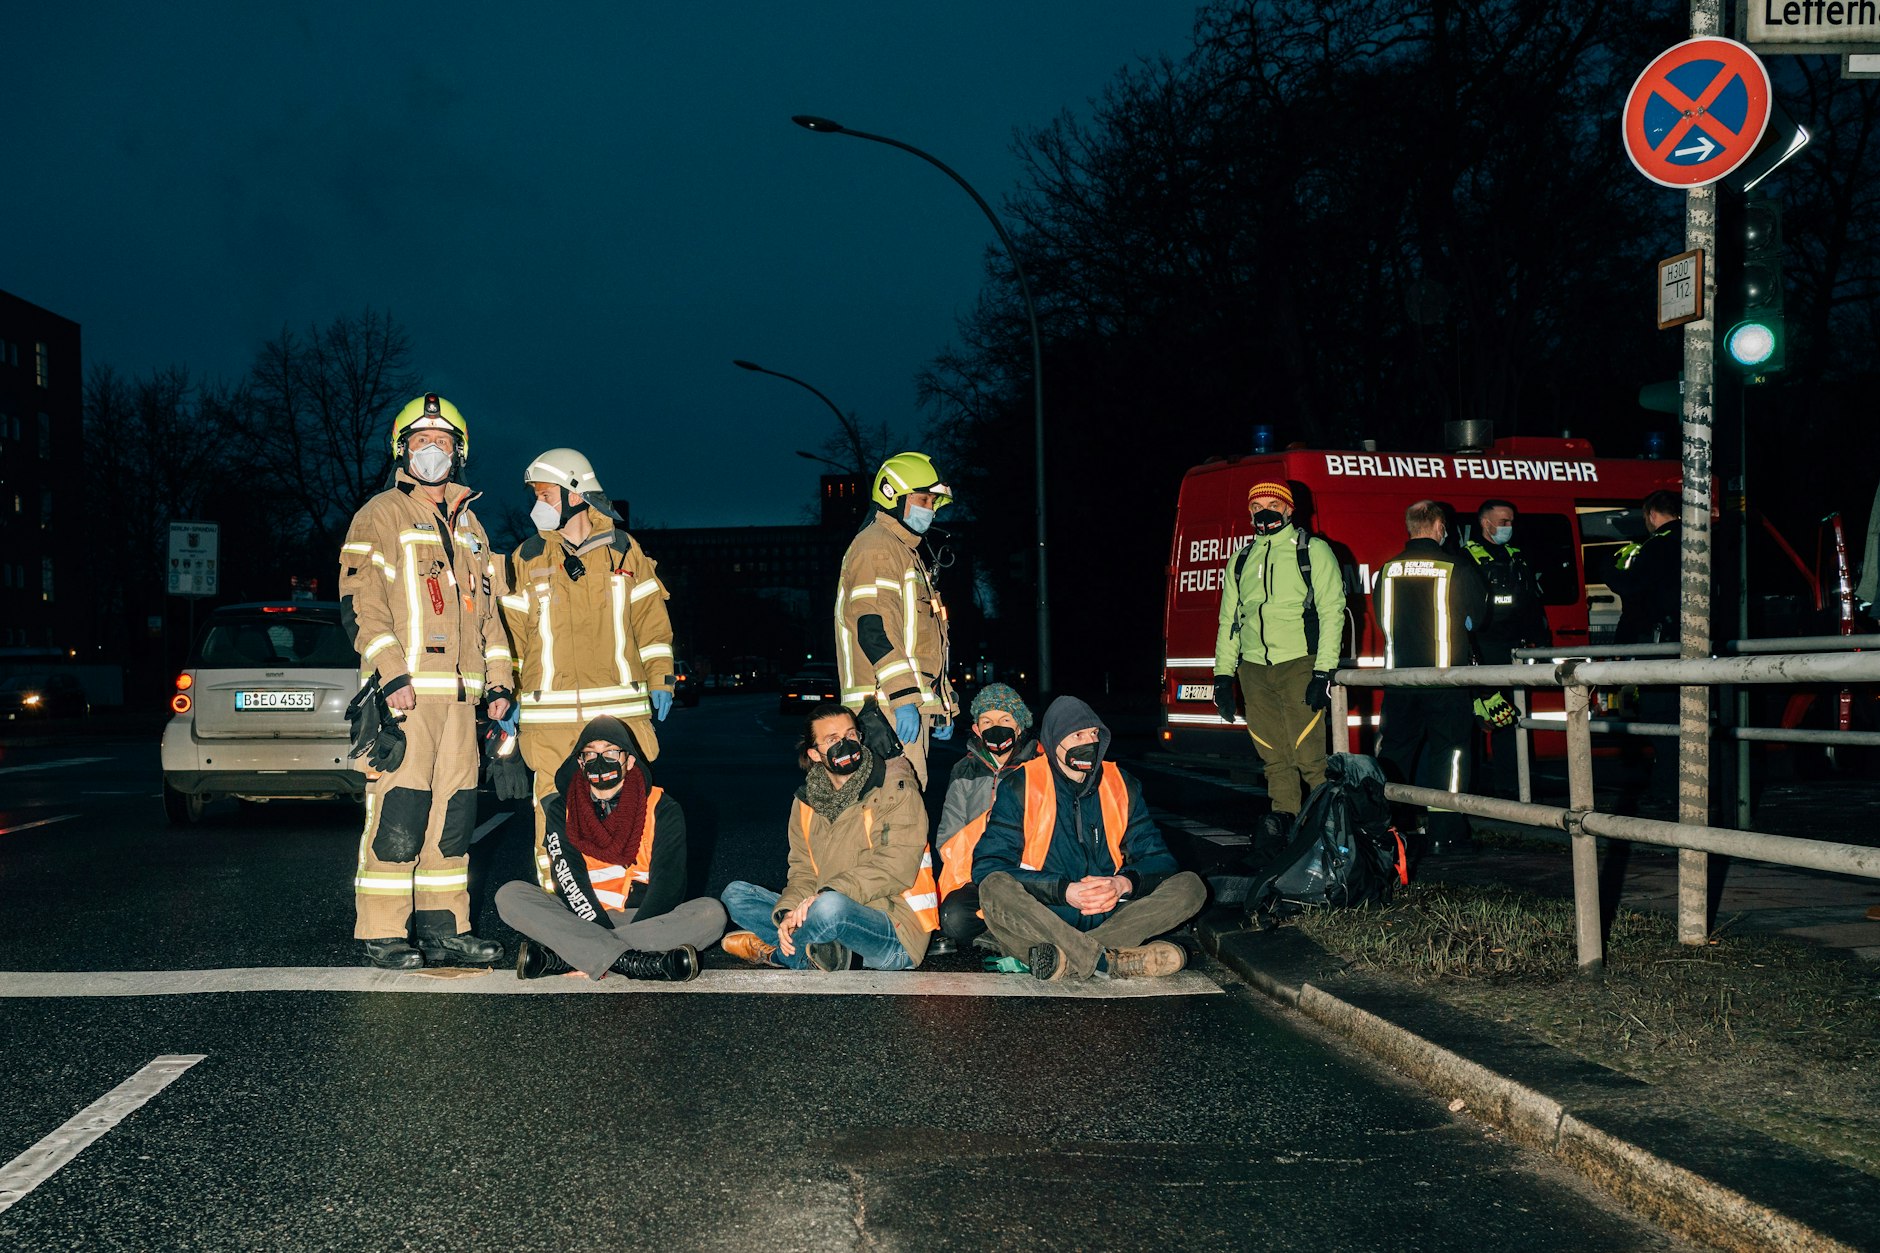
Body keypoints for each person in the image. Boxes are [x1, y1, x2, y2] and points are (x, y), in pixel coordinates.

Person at [337, 393, 514, 970]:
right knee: (400, 813)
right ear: (402, 450)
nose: (431, 450)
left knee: (454, 818)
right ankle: (384, 931)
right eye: (420, 441)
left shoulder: (473, 528)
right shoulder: (380, 514)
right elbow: (362, 605)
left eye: (441, 442)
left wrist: (500, 684)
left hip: (462, 704)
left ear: (458, 453)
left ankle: (445, 929)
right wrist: (391, 675)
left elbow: (490, 618)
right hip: (406, 700)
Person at [500, 449, 676, 894]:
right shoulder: (526, 558)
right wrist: (506, 690)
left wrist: (661, 677)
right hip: (549, 722)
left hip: (618, 719)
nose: (537, 505)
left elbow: (651, 624)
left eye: (545, 495)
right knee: (552, 816)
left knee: (623, 813)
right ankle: (559, 907)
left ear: (575, 494)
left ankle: (624, 906)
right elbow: (511, 638)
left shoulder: (625, 551)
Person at [974, 695, 1206, 982]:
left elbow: (1159, 859)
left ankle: (1072, 959)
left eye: (1094, 734)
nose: (1090, 742)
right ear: (1054, 742)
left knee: (1191, 886)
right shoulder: (1020, 785)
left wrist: (1122, 884)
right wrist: (1063, 890)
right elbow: (987, 865)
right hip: (1046, 914)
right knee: (993, 886)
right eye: (1078, 735)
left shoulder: (1123, 784)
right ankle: (1110, 961)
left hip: (1112, 913)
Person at [496, 716, 723, 981]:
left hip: (646, 921)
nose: (600, 760)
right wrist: (598, 931)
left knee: (712, 913)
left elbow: (668, 886)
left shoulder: (663, 807)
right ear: (580, 762)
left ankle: (568, 957)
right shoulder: (561, 809)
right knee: (510, 895)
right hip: (580, 918)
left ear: (630, 760)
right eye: (590, 753)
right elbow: (568, 880)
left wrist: (596, 944)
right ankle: (631, 962)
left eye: (611, 752)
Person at [719, 702, 937, 971]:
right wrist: (788, 914)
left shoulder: (894, 788)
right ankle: (821, 949)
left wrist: (827, 894)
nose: (845, 745)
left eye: (851, 735)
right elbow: (803, 873)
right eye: (833, 740)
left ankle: (780, 954)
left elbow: (895, 867)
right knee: (735, 895)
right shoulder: (806, 803)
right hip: (824, 910)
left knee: (830, 908)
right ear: (814, 753)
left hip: (892, 929)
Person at [1212, 480, 1347, 848]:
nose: (1264, 512)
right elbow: (1229, 622)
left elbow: (1332, 611)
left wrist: (1323, 670)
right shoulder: (1241, 560)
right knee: (1273, 758)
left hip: (1298, 662)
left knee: (1310, 757)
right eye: (1257, 507)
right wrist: (1223, 676)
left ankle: (1329, 834)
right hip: (1254, 670)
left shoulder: (1313, 550)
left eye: (1273, 504)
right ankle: (1285, 828)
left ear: (1289, 509)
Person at [834, 451, 959, 789]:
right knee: (898, 808)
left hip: (903, 705)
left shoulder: (905, 552)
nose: (930, 509)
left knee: (907, 803)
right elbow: (873, 628)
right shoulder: (877, 547)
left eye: (933, 502)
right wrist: (903, 698)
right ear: (892, 495)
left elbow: (923, 643)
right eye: (923, 499)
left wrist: (942, 704)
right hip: (885, 708)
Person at [1374, 500, 1489, 855]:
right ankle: (1445, 833)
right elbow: (1476, 620)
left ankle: (1387, 830)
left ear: (1410, 527)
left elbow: (1381, 619)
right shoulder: (1457, 566)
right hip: (1444, 680)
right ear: (1440, 527)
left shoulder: (1387, 570)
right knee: (1449, 753)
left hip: (1399, 680)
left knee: (1395, 753)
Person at [933, 682, 1040, 952]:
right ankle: (1005, 937)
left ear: (1019, 726)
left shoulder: (1039, 767)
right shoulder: (964, 770)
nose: (996, 727)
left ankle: (1004, 937)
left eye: (1005, 719)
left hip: (1027, 875)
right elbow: (948, 838)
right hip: (977, 875)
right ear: (977, 729)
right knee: (953, 918)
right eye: (987, 721)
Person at [1461, 499, 1551, 797]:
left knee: (1508, 718)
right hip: (1480, 651)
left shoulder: (1517, 556)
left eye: (1511, 521)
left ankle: (1510, 788)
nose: (1508, 527)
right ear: (1485, 523)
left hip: (1513, 650)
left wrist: (1541, 642)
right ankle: (1469, 788)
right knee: (1478, 719)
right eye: (1503, 522)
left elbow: (1531, 603)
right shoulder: (1466, 557)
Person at [1608, 489, 1682, 810]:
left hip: (1660, 645)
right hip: (1692, 643)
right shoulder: (1700, 541)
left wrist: (1610, 569)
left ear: (1652, 515)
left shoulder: (1655, 546)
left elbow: (1633, 594)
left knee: (1660, 718)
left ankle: (1668, 789)